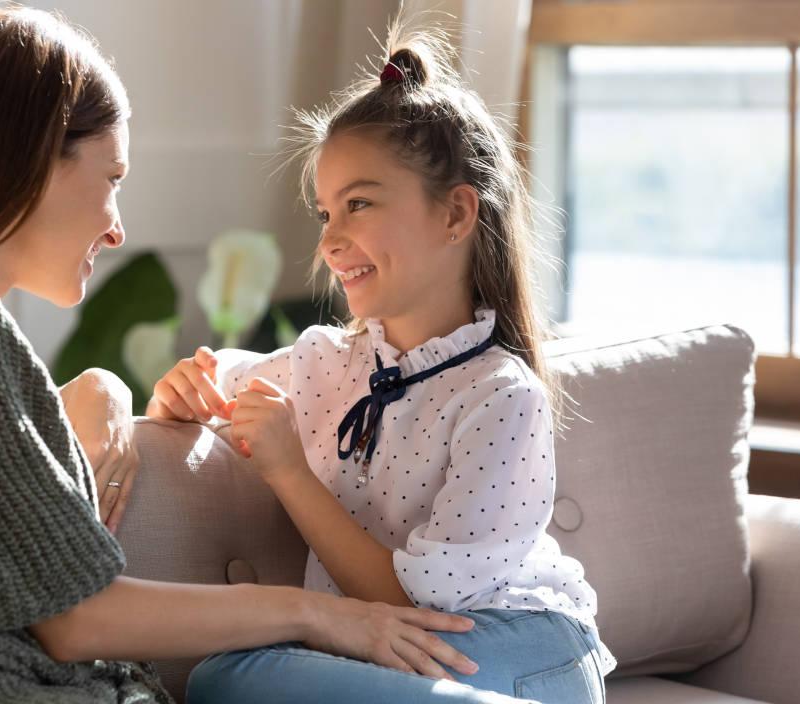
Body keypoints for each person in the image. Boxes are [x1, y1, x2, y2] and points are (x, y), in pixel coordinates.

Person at [0, 8, 476, 703]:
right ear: (33, 159)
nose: (119, 228)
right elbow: (76, 618)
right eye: (113, 178)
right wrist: (321, 616)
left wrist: (99, 390)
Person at [149, 21, 617, 704]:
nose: (332, 240)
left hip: (525, 645)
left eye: (359, 204)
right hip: (392, 653)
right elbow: (205, 384)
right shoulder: (322, 364)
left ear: (455, 215)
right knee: (225, 681)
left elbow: (411, 602)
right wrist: (179, 395)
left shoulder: (502, 398)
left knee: (238, 679)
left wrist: (286, 468)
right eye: (324, 212)